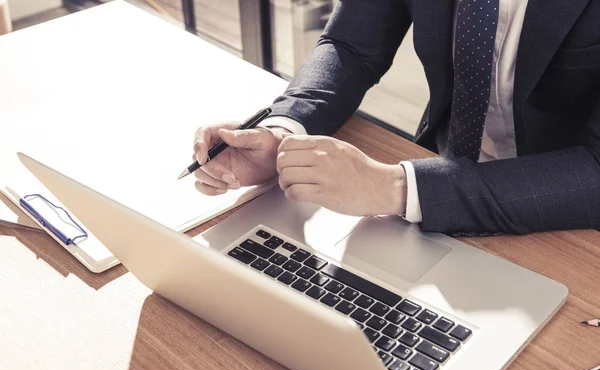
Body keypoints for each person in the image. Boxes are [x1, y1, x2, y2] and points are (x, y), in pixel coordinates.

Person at [192, 0, 600, 235]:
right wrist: (284, 131)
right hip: (436, 182)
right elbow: (351, 44)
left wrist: (395, 186)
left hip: (567, 218)